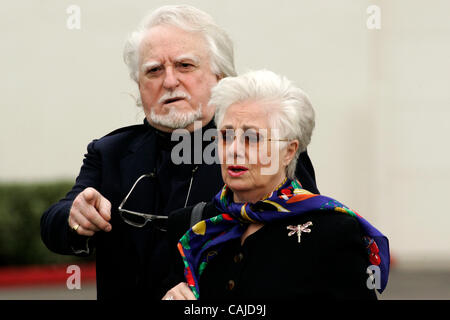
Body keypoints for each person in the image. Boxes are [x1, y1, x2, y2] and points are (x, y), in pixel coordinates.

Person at [40, 6, 319, 300]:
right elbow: (53, 226)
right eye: (154, 70)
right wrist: (75, 217)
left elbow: (304, 244)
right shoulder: (111, 152)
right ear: (138, 85)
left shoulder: (262, 151)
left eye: (185, 65)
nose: (169, 81)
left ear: (220, 77)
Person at [162, 70, 390, 300]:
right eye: (226, 135)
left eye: (252, 138)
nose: (234, 150)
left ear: (289, 151)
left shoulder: (332, 232)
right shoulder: (190, 226)